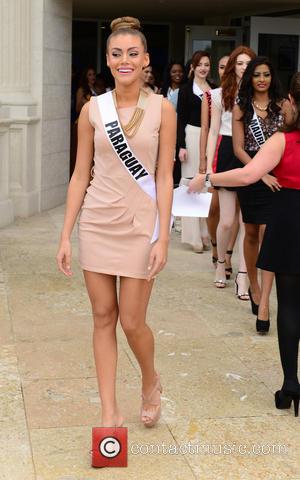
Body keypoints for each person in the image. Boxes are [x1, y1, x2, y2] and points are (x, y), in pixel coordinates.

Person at [56, 16, 176, 429]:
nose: (125, 60)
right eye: (116, 53)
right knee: (103, 316)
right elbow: (79, 174)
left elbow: (164, 176)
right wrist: (66, 234)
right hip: (97, 222)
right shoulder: (93, 109)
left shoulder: (162, 109)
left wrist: (163, 235)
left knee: (132, 321)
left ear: (145, 59)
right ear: (107, 60)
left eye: (133, 53)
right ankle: (109, 410)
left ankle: (149, 380)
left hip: (141, 227)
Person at [188, 71, 300, 417]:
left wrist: (207, 177)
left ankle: (290, 385)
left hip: (288, 219)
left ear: (293, 102)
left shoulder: (284, 140)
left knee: (291, 307)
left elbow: (248, 174)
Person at [233, 56, 293, 332]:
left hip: (276, 178)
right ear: (250, 78)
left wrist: (272, 173)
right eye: (256, 74)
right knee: (252, 232)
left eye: (266, 74)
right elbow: (238, 148)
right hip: (252, 174)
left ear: (272, 77)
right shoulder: (242, 107)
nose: (261, 79)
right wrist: (260, 173)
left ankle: (266, 302)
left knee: (269, 234)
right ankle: (254, 286)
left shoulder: (282, 106)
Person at [206, 46, 256, 296]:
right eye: (240, 63)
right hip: (226, 151)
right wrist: (206, 166)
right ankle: (221, 264)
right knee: (226, 221)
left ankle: (244, 277)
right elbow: (214, 131)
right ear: (232, 66)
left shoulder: (258, 93)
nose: (244, 67)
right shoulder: (218, 95)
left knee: (247, 222)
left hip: (251, 153)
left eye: (249, 63)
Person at [177, 50, 215, 253]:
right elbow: (180, 119)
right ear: (193, 67)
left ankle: (204, 233)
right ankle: (192, 238)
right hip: (191, 137)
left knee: (206, 185)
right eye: (199, 64)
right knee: (190, 185)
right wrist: (180, 145)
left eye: (207, 64)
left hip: (210, 138)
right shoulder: (185, 90)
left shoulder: (215, 89)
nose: (203, 68)